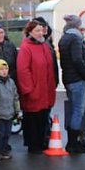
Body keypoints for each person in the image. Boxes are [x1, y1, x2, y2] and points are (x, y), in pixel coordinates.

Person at [16, 21, 57, 154]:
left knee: (43, 117)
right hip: (34, 89)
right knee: (32, 118)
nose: (40, 33)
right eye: (37, 31)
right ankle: (33, 144)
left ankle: (41, 142)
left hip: (45, 89)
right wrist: (29, 89)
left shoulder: (44, 45)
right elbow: (23, 70)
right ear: (30, 32)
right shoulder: (26, 48)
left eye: (41, 30)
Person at [59, 14, 85, 153]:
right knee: (78, 111)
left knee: (73, 110)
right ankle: (73, 143)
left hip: (68, 78)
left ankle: (73, 142)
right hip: (77, 79)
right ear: (77, 25)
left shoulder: (64, 37)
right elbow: (77, 60)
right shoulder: (76, 38)